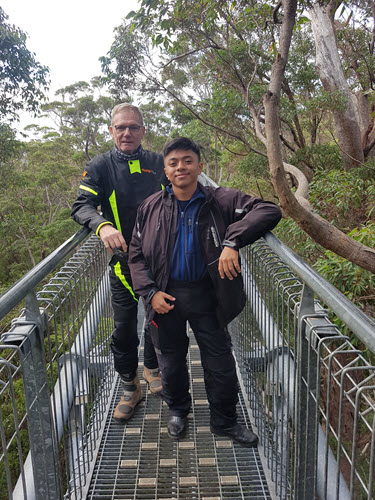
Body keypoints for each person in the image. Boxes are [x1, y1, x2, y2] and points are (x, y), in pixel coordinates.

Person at [128, 137, 282, 446]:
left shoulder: (221, 200)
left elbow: (268, 210)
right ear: (166, 171)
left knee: (220, 362)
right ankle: (178, 411)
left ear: (200, 166)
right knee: (170, 362)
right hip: (164, 297)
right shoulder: (151, 207)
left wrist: (232, 241)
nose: (180, 167)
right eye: (173, 163)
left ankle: (224, 421)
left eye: (187, 160)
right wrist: (150, 292)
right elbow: (135, 254)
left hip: (208, 295)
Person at [71, 103, 168, 423]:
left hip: (159, 259)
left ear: (143, 131)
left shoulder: (158, 163)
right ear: (111, 130)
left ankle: (152, 367)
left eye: (134, 127)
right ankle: (130, 386)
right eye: (120, 127)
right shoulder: (99, 166)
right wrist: (102, 225)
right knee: (124, 328)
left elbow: (183, 195)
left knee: (157, 318)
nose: (127, 133)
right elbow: (82, 206)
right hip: (123, 263)